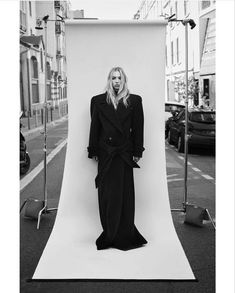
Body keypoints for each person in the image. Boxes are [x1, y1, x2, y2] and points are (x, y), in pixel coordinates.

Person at [87, 67, 147, 251]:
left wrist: (137, 150)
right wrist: (94, 149)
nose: (116, 81)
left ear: (124, 80)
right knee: (107, 195)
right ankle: (109, 233)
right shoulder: (97, 101)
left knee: (124, 195)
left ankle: (124, 234)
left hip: (123, 155)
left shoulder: (134, 101)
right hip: (106, 154)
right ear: (109, 80)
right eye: (113, 77)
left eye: (119, 78)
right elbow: (95, 127)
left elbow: (138, 127)